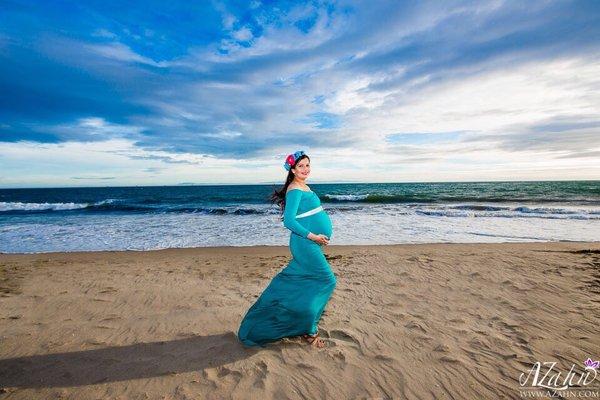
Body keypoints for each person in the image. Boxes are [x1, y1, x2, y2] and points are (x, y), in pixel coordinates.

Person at [237, 150, 337, 348]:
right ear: (292, 169)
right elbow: (289, 221)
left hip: (311, 245)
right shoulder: (294, 189)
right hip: (305, 243)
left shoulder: (302, 186)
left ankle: (308, 328)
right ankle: (309, 329)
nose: (305, 169)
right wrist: (313, 236)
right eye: (301, 166)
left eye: (308, 165)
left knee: (303, 282)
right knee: (327, 280)